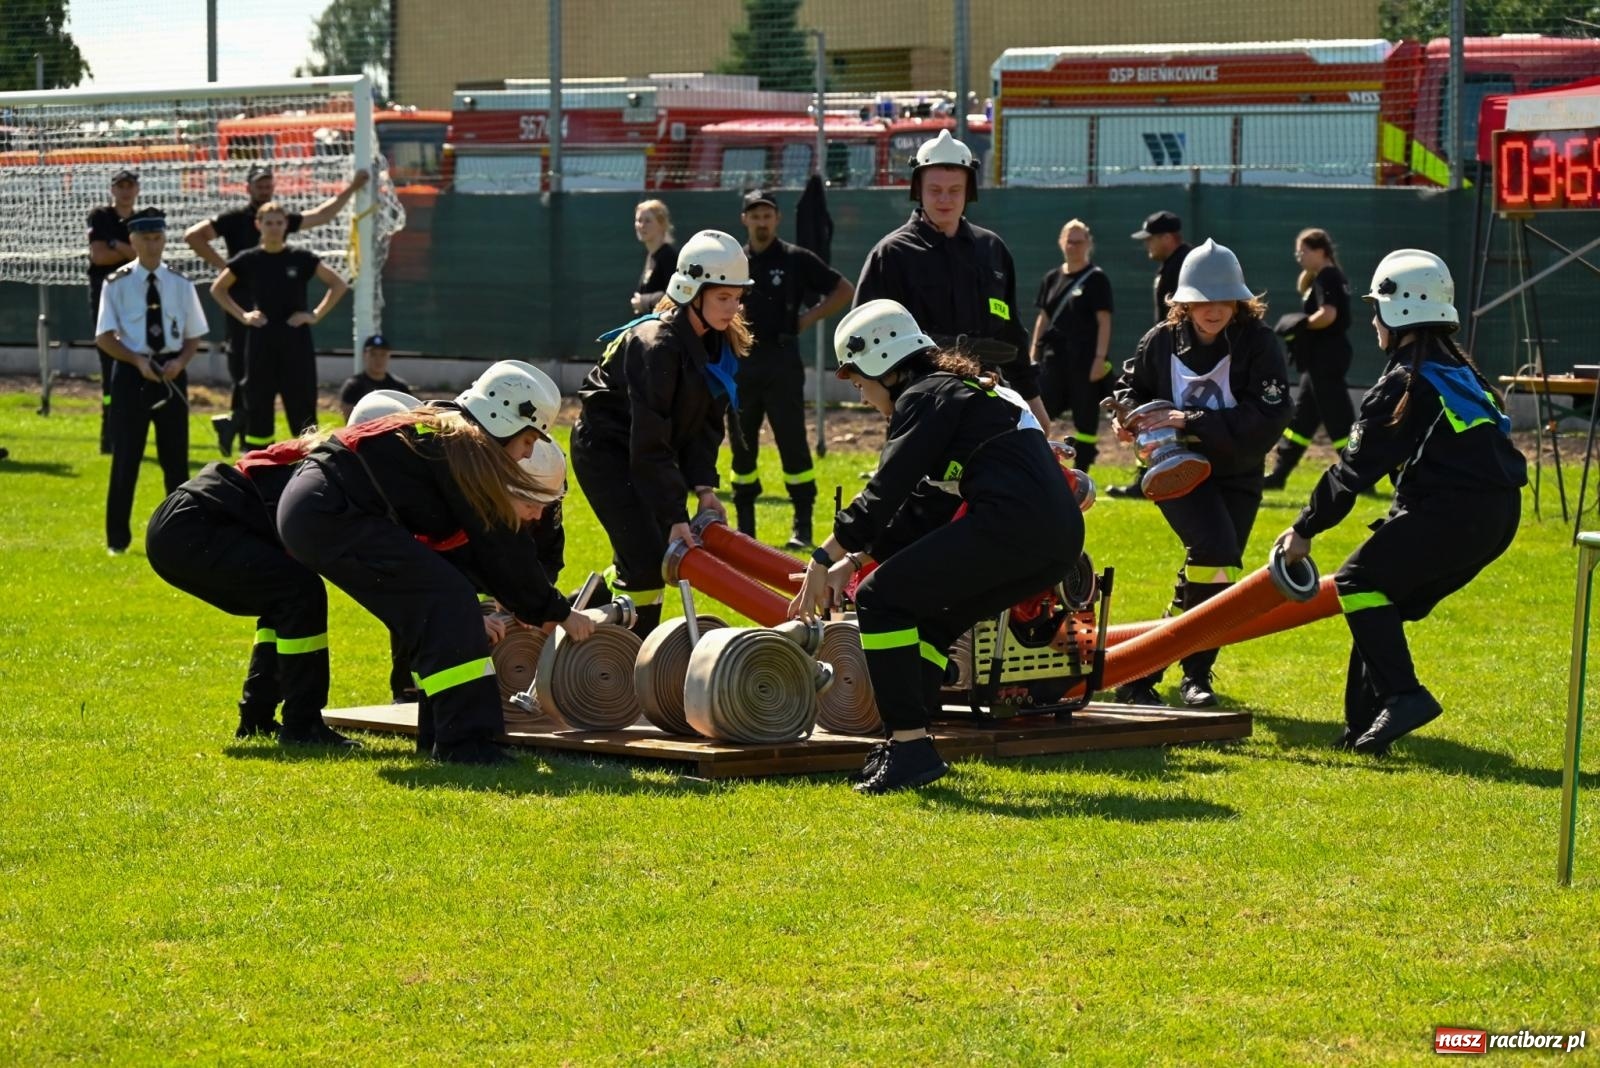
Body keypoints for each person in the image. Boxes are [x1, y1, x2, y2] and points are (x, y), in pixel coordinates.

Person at [789, 299, 1083, 794]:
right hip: (1055, 540)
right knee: (928, 619)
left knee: (879, 599)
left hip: (1014, 527)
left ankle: (909, 746)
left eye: (859, 382)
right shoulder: (959, 392)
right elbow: (925, 505)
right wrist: (859, 558)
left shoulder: (924, 396)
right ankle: (910, 740)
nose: (862, 398)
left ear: (883, 362)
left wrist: (825, 558)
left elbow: (887, 489)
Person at [277, 362, 595, 766]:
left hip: (317, 507)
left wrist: (528, 602)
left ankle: (440, 737)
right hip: (329, 512)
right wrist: (555, 611)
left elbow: (471, 550)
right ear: (503, 416)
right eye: (529, 439)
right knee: (449, 600)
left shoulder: (452, 432)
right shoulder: (469, 446)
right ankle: (465, 744)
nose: (529, 452)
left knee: (438, 607)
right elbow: (499, 542)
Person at [1274, 250, 1526, 754]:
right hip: (1498, 516)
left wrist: (1303, 529)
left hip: (1456, 515)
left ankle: (1405, 695)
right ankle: (1364, 730)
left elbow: (1353, 470)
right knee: (1375, 600)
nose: (1372, 322)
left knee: (1357, 582)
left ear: (1400, 310)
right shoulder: (1459, 372)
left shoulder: (1402, 382)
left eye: (1376, 311)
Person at [142, 392, 426, 747]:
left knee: (285, 598)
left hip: (183, 524)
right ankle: (302, 724)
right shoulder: (335, 466)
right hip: (195, 526)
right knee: (300, 592)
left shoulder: (334, 457)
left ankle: (257, 718)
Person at [1109, 239, 1292, 708]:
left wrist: (1189, 420)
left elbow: (1266, 420)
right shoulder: (1160, 341)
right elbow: (1129, 389)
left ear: (1240, 300)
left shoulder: (1260, 344)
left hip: (1238, 470)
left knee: (1217, 569)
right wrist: (1128, 418)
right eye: (1202, 300)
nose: (1213, 310)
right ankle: (1193, 677)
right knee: (1214, 551)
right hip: (1174, 469)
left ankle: (1149, 670)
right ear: (1184, 303)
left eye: (1224, 298)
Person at [573, 230, 750, 640]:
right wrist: (675, 516)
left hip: (644, 453)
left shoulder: (716, 345)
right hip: (608, 454)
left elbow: (705, 426)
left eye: (738, 297)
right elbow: (648, 440)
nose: (733, 308)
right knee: (649, 562)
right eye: (723, 297)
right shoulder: (656, 346)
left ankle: (570, 620)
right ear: (693, 291)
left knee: (642, 561)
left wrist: (704, 488)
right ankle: (621, 663)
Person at [854, 130, 1046, 427]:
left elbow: (1012, 332)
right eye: (935, 190)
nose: (945, 199)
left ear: (969, 190)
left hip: (990, 396)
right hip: (921, 400)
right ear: (918, 188)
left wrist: (1033, 402)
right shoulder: (891, 254)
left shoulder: (992, 250)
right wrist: (885, 399)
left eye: (955, 190)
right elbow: (864, 335)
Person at [184, 165, 369, 455]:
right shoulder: (235, 227)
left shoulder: (298, 252)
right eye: (259, 183)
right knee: (250, 386)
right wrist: (228, 269)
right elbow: (194, 237)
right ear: (248, 189)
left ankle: (306, 459)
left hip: (292, 334)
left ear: (284, 224)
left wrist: (352, 187)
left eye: (268, 183)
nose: (273, 225)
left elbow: (322, 216)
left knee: (299, 398)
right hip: (251, 320)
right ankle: (243, 439)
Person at [729, 189, 854, 546]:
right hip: (742, 363)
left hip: (782, 362)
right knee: (742, 447)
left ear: (777, 219)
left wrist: (808, 318)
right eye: (755, 215)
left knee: (793, 443)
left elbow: (843, 289)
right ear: (745, 220)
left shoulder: (795, 259)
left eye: (767, 215)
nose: (761, 222)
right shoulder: (733, 261)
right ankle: (745, 530)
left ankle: (802, 528)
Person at [95, 208, 210, 556]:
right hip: (133, 372)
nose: (151, 244)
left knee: (175, 458)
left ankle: (179, 535)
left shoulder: (180, 282)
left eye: (157, 237)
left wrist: (181, 361)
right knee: (126, 457)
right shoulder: (116, 283)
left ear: (164, 239)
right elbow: (104, 336)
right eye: (144, 238)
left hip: (171, 370)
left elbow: (194, 336)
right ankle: (117, 540)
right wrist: (135, 360)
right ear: (132, 240)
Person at [210, 201, 349, 448]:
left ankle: (312, 467)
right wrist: (243, 316)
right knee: (259, 409)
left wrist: (314, 314)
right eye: (268, 223)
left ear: (286, 225)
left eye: (279, 223)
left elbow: (338, 284)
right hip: (260, 342)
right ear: (258, 225)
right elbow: (218, 289)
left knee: (302, 407)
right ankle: (259, 469)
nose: (274, 228)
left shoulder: (302, 258)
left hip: (296, 341)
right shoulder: (248, 259)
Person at [1109, 210, 1194, 499]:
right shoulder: (1173, 265)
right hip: (1167, 354)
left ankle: (1158, 470)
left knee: (1158, 414)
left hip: (1177, 357)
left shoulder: (1182, 266)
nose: (1148, 245)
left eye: (1151, 239)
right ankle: (1150, 472)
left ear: (1168, 238)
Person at [1263, 228, 1356, 489]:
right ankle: (1279, 475)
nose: (1298, 257)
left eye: (1302, 251)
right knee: (1301, 419)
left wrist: (1301, 326)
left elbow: (1328, 315)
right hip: (1317, 360)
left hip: (1327, 356)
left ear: (1320, 251)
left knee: (1339, 418)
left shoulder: (1328, 276)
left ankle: (1358, 472)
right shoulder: (1324, 277)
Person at [1030, 218, 1114, 471]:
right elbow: (1043, 318)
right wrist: (1033, 354)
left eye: (1079, 241)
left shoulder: (1097, 279)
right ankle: (1040, 464)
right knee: (1041, 412)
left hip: (1085, 361)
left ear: (1088, 243)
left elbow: (1104, 321)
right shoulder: (1051, 278)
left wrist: (1100, 359)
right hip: (1053, 360)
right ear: (1061, 243)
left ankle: (1082, 470)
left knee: (1086, 417)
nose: (1074, 246)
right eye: (1069, 241)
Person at [87, 168, 141, 454]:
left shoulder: (142, 219)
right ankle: (110, 435)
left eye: (130, 185)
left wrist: (115, 244)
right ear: (113, 189)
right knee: (109, 365)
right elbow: (99, 256)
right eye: (120, 185)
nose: (125, 191)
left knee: (135, 361)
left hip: (134, 298)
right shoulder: (100, 216)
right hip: (105, 297)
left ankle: (131, 432)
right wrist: (127, 248)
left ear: (137, 190)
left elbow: (142, 257)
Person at [338, 334, 412, 421]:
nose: (378, 359)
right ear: (365, 355)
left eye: (383, 354)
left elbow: (414, 416)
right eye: (373, 354)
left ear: (389, 356)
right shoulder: (353, 386)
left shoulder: (400, 387)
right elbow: (350, 420)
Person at [629, 199, 677, 315]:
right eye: (639, 220)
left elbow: (674, 296)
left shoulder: (668, 256)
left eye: (648, 221)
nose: (641, 225)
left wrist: (644, 301)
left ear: (662, 224)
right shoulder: (651, 255)